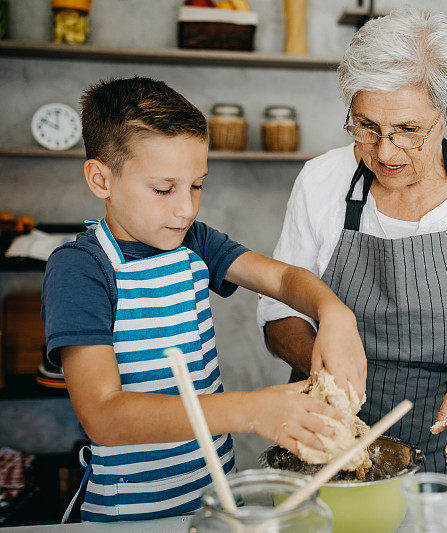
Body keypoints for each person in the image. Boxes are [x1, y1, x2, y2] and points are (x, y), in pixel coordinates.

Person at [41, 77, 365, 521]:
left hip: (213, 500)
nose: (186, 208)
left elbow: (286, 280)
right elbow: (104, 415)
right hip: (129, 514)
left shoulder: (193, 242)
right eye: (163, 189)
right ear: (101, 179)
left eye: (197, 186)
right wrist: (254, 410)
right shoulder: (81, 269)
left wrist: (335, 314)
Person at [257, 8, 447, 496]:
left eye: (409, 130)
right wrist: (329, 381)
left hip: (442, 438)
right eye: (367, 127)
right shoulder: (322, 180)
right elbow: (278, 309)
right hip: (325, 431)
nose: (386, 153)